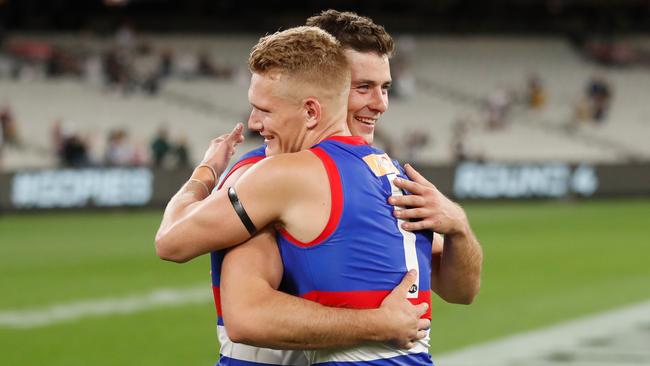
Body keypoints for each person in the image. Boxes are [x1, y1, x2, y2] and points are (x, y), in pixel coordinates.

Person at [156, 26, 435, 365]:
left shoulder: (279, 173)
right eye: (364, 87)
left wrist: (205, 172)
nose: (254, 123)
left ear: (311, 111)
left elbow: (171, 243)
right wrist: (459, 227)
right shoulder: (394, 174)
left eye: (265, 110)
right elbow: (460, 288)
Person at [216, 10, 482, 365]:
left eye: (384, 87)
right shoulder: (261, 175)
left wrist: (457, 227)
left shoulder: (380, 175)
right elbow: (246, 316)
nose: (380, 104)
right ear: (324, 84)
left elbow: (461, 291)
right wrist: (379, 324)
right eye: (363, 87)